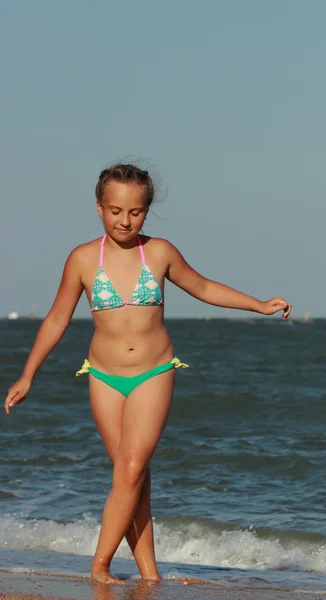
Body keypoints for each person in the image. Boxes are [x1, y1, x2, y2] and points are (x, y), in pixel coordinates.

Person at [4, 163, 292, 585]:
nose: (125, 220)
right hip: (103, 377)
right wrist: (28, 374)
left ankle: (99, 564)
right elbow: (55, 319)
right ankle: (150, 574)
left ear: (146, 211)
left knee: (132, 469)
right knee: (130, 475)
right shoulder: (83, 259)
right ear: (100, 208)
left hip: (154, 372)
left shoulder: (159, 253)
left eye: (135, 212)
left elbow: (205, 287)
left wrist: (259, 304)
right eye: (116, 210)